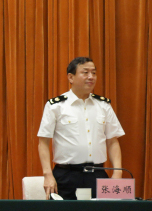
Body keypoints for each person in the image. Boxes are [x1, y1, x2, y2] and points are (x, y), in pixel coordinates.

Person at [37, 57, 125, 200]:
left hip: (98, 174)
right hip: (66, 176)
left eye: (94, 73)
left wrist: (117, 173)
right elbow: (43, 143)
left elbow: (112, 141)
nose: (91, 77)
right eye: (85, 72)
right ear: (70, 77)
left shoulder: (103, 105)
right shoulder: (55, 106)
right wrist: (47, 175)